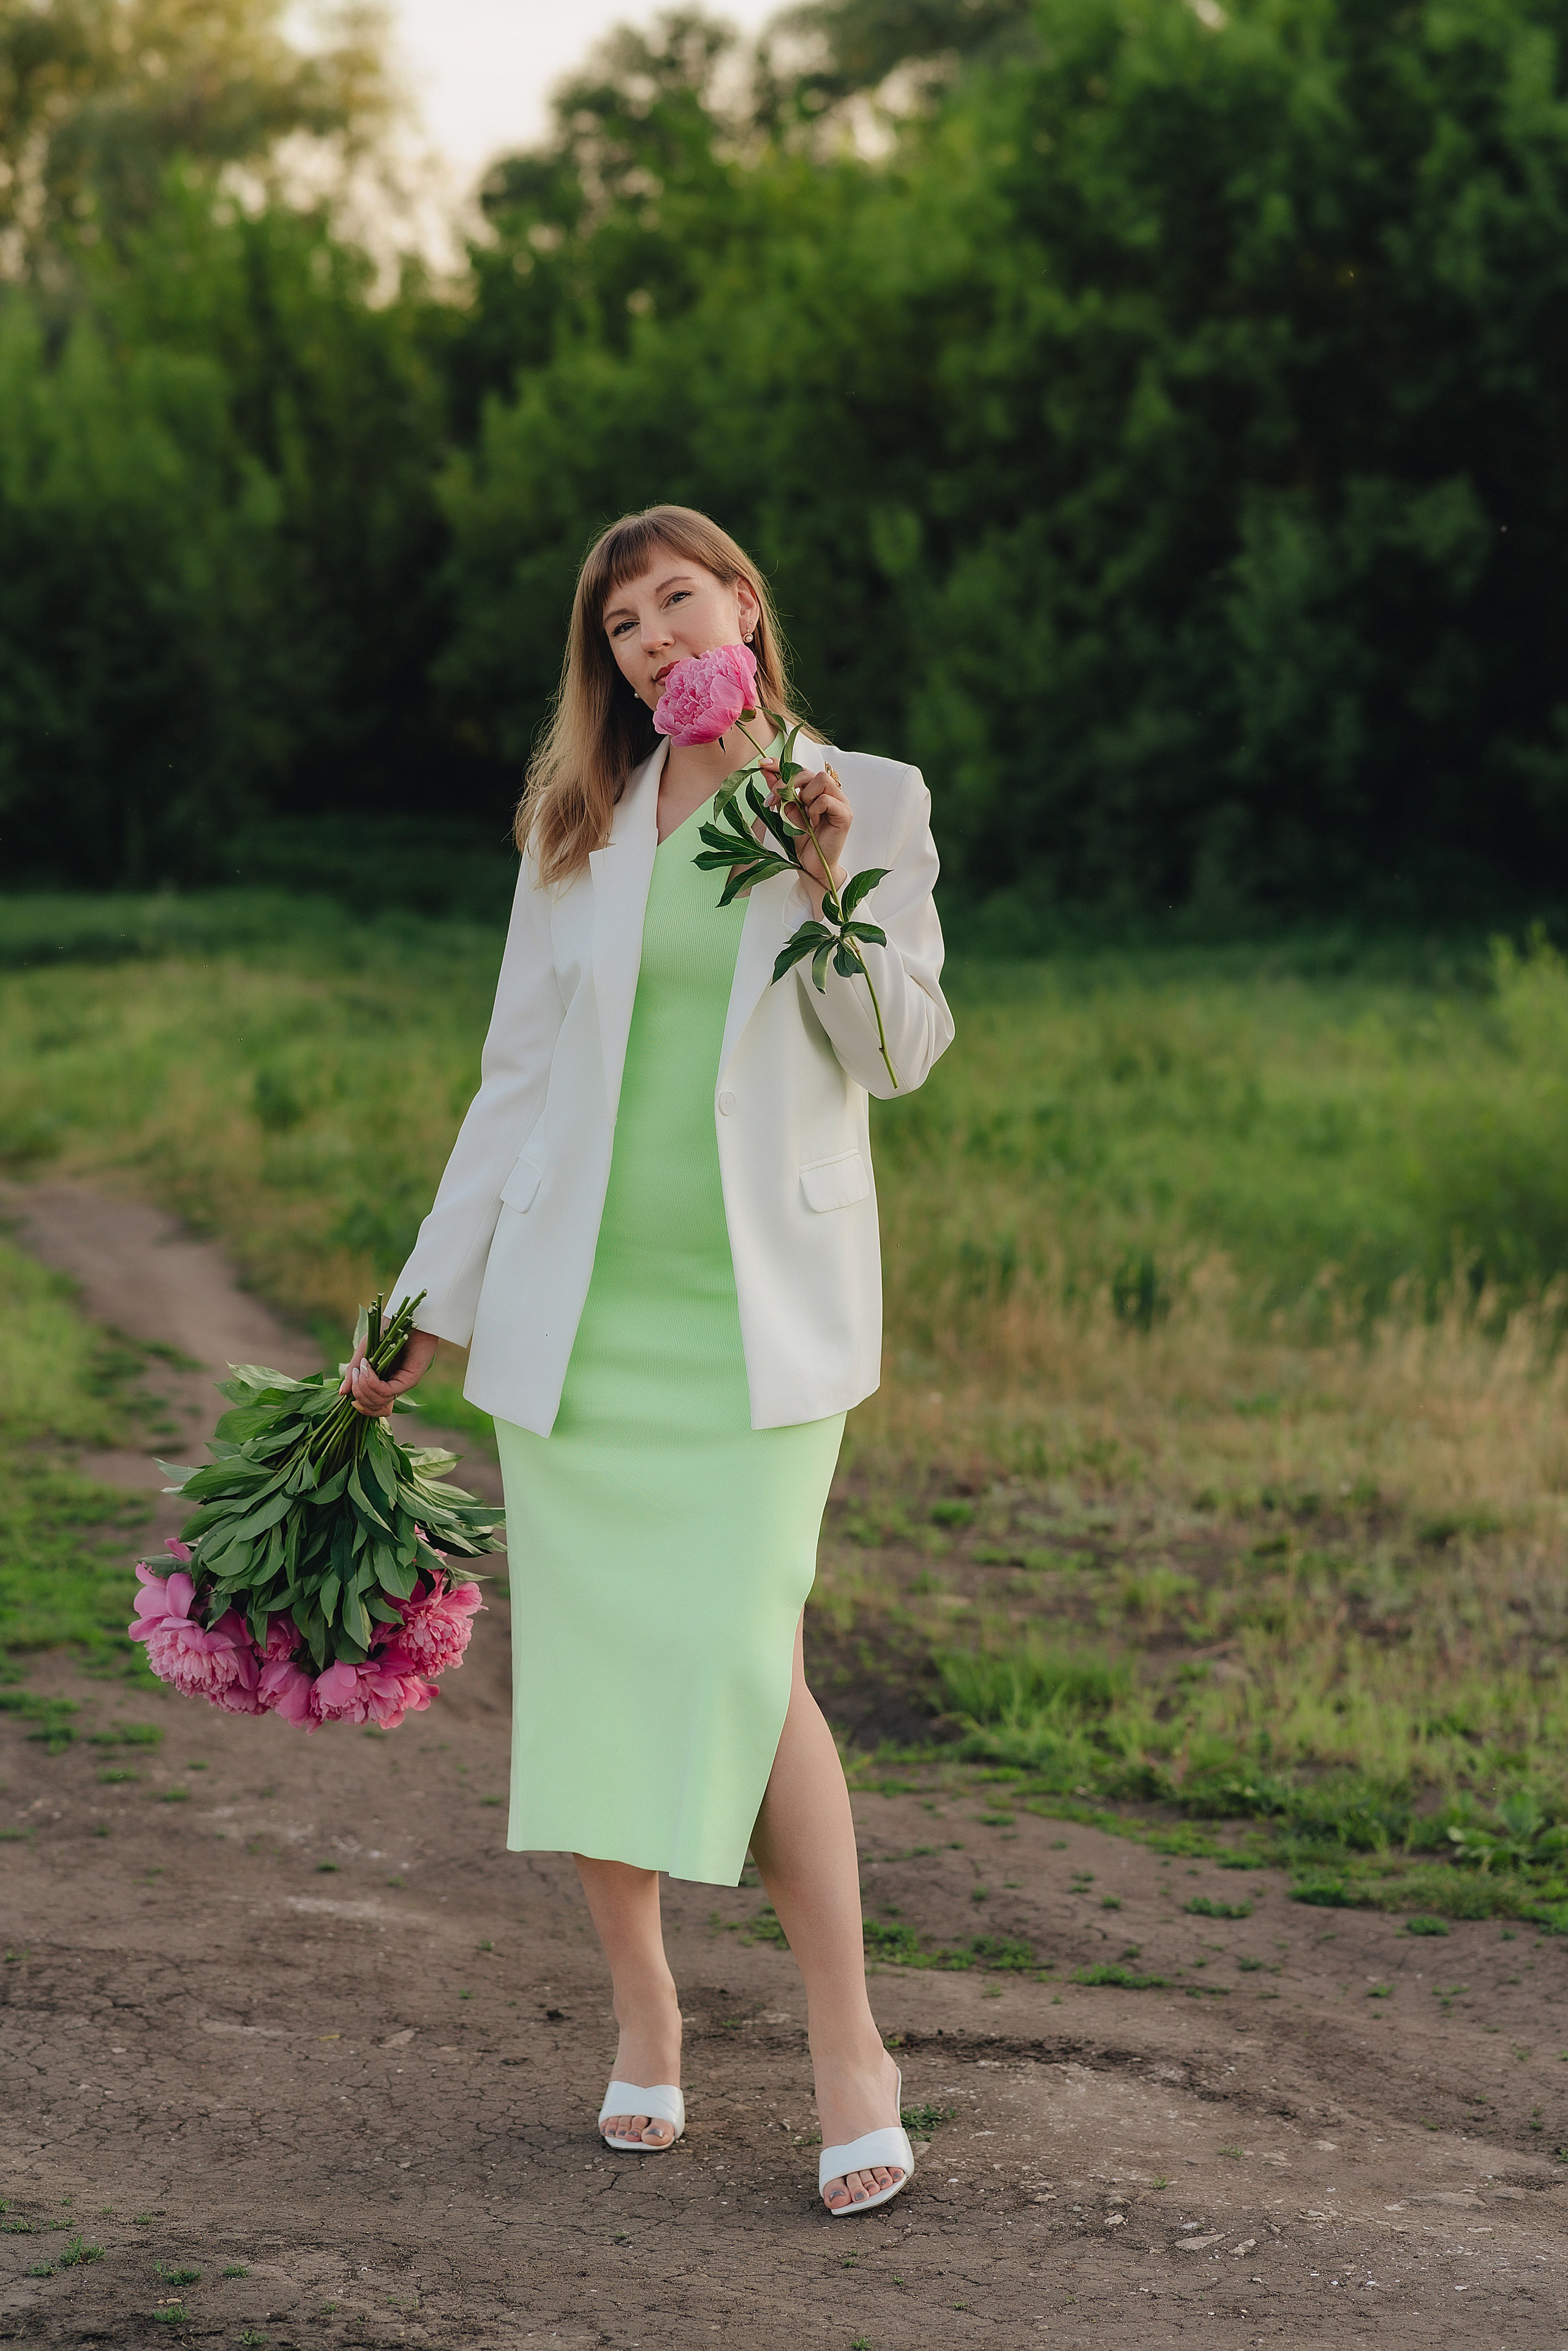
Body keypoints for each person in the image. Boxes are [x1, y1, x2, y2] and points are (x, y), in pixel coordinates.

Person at [342, 504, 954, 2214]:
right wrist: (419, 1312)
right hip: (587, 1322)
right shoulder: (578, 824)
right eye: (621, 630)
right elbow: (514, 1086)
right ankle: (646, 2015)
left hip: (761, 1333)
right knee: (604, 1668)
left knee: (750, 1663)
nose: (656, 643)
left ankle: (853, 2050)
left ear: (744, 606)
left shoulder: (868, 797)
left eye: (679, 603)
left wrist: (825, 873)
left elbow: (899, 1053)